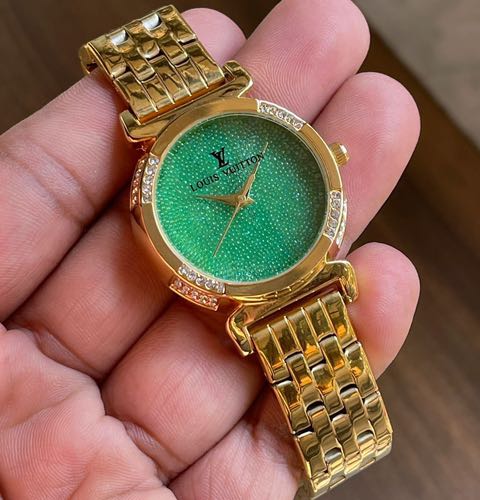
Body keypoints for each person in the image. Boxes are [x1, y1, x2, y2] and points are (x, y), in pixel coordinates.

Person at [0, 1, 420, 498]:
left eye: (242, 194)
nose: (241, 199)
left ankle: (346, 440)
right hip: (256, 300)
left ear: (330, 159)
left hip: (298, 279)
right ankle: (346, 441)